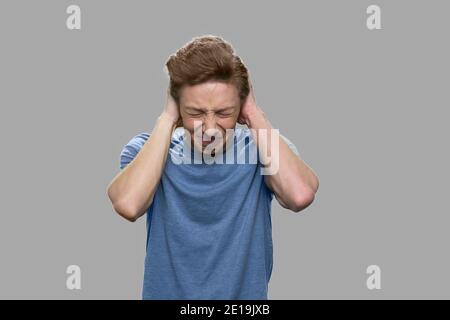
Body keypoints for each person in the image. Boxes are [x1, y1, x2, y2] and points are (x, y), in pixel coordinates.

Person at [107, 35, 319, 300]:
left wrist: (253, 113)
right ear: (177, 107)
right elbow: (128, 204)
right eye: (195, 113)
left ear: (240, 106)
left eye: (223, 113)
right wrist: (167, 119)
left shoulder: (261, 149)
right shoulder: (145, 150)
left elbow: (299, 195)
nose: (209, 129)